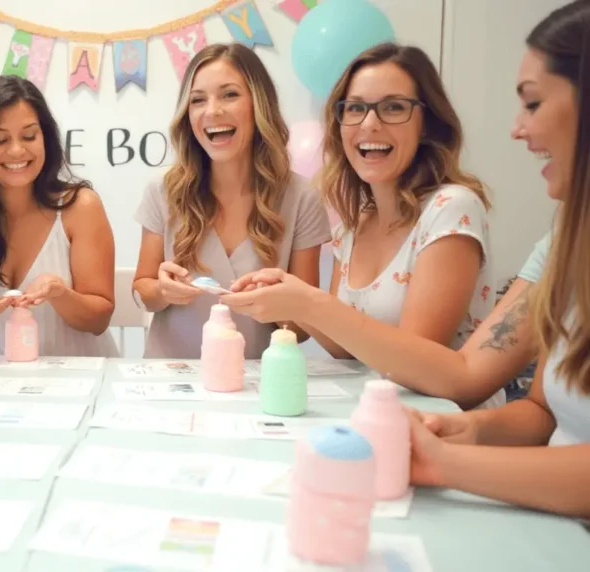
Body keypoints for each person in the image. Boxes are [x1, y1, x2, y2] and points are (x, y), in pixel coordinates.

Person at [220, 43, 503, 409]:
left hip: (448, 426)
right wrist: (289, 300)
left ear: (427, 124)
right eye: (355, 108)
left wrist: (311, 303)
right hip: (379, 414)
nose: (370, 123)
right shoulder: (353, 227)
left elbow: (416, 360)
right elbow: (345, 348)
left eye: (393, 107)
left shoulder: (451, 209)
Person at [407, 0, 590, 518]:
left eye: (533, 103)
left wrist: (444, 462)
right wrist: (469, 429)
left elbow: (463, 371)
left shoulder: (454, 207)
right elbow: (543, 412)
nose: (517, 128)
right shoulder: (568, 237)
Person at [131, 43, 331, 359]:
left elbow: (303, 330)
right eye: (198, 100)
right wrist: (162, 291)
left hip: (257, 380)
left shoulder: (302, 199)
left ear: (259, 105)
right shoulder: (163, 190)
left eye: (230, 95)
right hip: (169, 376)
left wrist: (275, 304)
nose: (212, 111)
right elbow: (142, 289)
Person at [0, 76, 118, 358]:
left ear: (46, 139)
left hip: (86, 378)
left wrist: (60, 294)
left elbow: (99, 321)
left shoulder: (80, 207)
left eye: (29, 136)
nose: (16, 150)